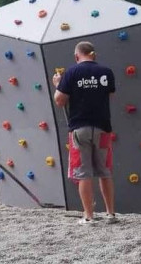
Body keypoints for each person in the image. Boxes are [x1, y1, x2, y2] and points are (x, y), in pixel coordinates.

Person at [52, 41, 118, 225]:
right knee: (105, 172)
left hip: (79, 128)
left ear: (76, 56)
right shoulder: (106, 72)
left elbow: (59, 100)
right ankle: (110, 213)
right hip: (103, 127)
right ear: (93, 54)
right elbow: (109, 95)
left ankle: (89, 216)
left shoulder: (71, 73)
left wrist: (58, 84)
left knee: (83, 173)